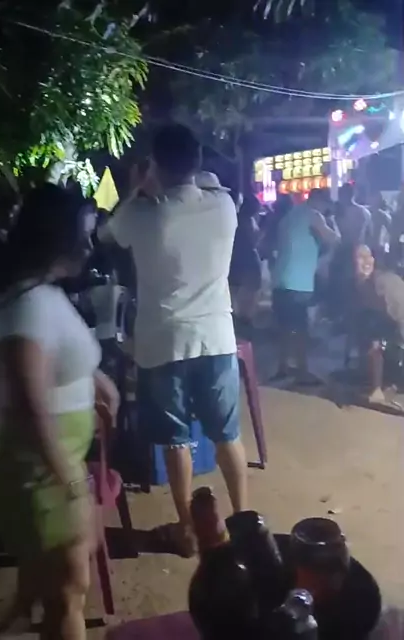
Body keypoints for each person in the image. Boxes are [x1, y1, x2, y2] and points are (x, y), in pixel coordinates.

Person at [0, 185, 119, 640]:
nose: (90, 246)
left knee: (53, 570)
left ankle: (18, 614)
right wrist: (74, 486)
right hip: (35, 473)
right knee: (70, 590)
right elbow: (29, 407)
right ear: (57, 237)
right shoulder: (26, 309)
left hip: (47, 467)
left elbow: (57, 358)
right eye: (83, 235)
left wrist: (95, 379)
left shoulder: (41, 294)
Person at [99, 124, 248, 557]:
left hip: (163, 343)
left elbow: (107, 232)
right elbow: (210, 184)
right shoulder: (224, 207)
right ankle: (244, 521)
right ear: (197, 161)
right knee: (227, 435)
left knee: (177, 440)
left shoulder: (144, 215)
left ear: (155, 165)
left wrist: (138, 188)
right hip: (216, 338)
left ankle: (187, 530)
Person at [271, 189, 340, 383]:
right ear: (319, 201)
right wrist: (332, 220)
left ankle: (283, 367)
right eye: (326, 205)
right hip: (298, 281)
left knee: (284, 327)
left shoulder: (288, 216)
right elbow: (335, 239)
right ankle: (302, 371)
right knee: (301, 328)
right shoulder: (314, 215)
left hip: (280, 279)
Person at [353, 244, 404, 411]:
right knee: (374, 342)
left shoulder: (383, 283)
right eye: (361, 257)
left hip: (400, 316)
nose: (367, 260)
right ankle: (377, 390)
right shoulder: (361, 284)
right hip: (388, 319)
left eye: (369, 256)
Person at [228, 194, 263, 336]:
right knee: (247, 304)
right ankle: (245, 333)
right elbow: (254, 242)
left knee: (235, 302)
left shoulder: (233, 220)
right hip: (248, 266)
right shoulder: (248, 222)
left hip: (234, 265)